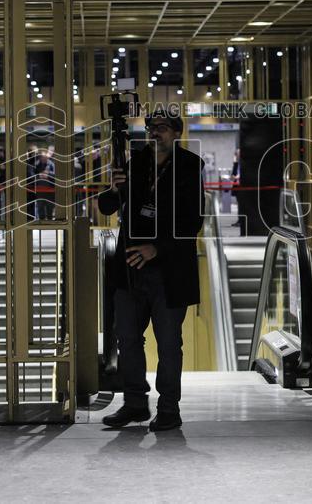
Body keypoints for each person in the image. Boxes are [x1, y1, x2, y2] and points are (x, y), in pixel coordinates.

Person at [98, 110, 205, 432]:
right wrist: (115, 190)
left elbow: (192, 222)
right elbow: (107, 207)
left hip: (168, 271)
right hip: (130, 268)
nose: (153, 133)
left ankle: (169, 409)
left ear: (176, 133)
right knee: (127, 338)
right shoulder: (136, 163)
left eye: (160, 128)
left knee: (169, 343)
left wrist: (156, 248)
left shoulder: (189, 166)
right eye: (149, 128)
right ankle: (134, 404)